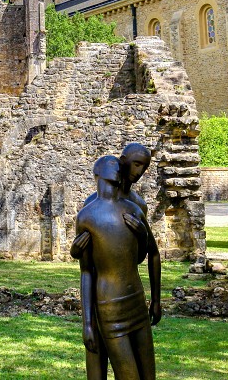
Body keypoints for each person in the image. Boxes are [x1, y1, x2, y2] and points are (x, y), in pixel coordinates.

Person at [71, 143, 161, 380]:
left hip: (131, 294)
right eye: (136, 164)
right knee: (97, 359)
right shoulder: (90, 208)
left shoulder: (136, 206)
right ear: (122, 161)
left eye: (145, 166)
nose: (139, 171)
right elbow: (87, 266)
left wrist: (142, 235)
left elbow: (141, 256)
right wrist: (87, 322)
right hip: (104, 299)